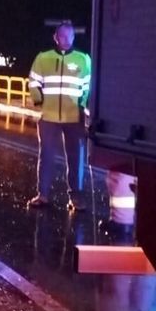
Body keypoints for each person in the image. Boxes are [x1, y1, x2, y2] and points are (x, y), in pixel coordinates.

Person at [26, 22, 92, 211]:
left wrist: (82, 104)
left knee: (76, 158)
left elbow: (88, 85)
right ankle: (43, 195)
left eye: (68, 36)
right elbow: (33, 81)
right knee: (46, 155)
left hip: (74, 118)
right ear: (55, 37)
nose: (64, 40)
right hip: (49, 116)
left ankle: (76, 198)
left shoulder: (83, 60)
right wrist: (39, 101)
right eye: (61, 36)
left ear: (73, 38)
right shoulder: (43, 58)